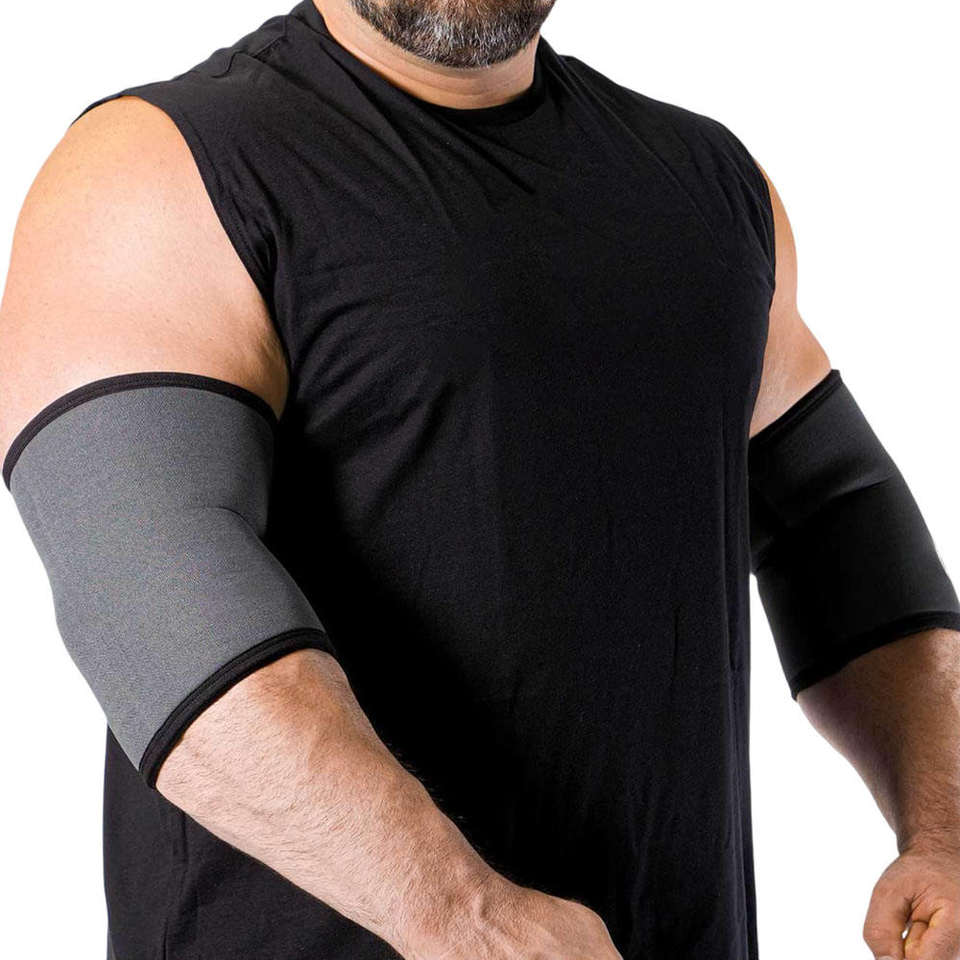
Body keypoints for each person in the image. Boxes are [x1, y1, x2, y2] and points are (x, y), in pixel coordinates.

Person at [2, 2, 959, 959]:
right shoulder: (162, 166)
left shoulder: (709, 183)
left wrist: (946, 828)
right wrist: (459, 913)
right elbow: (142, 593)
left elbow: (832, 514)